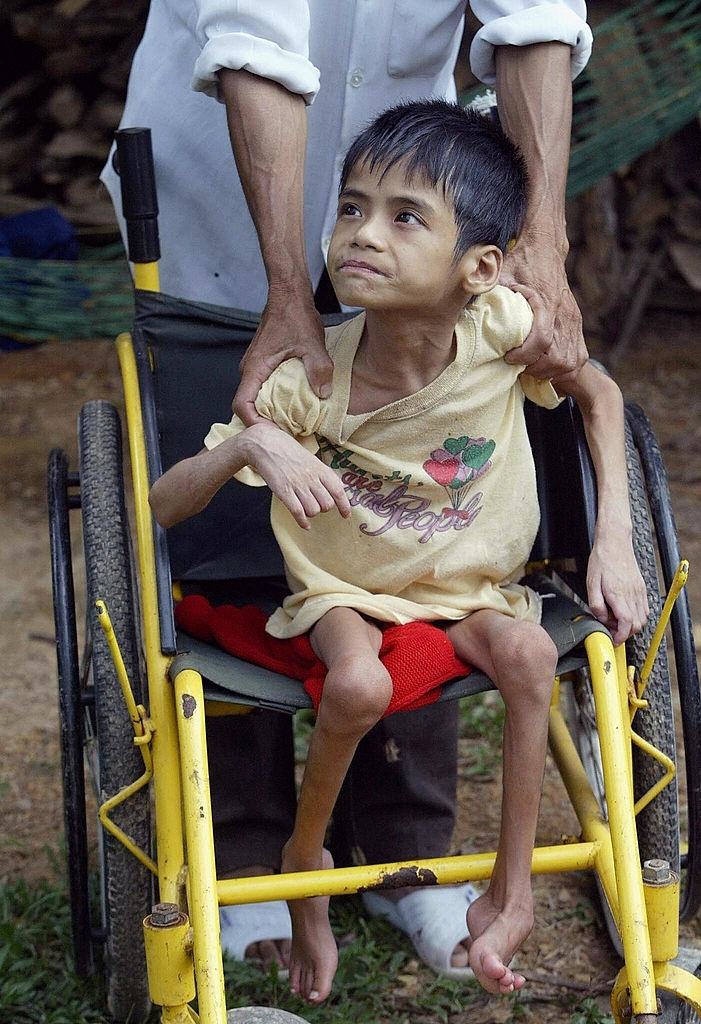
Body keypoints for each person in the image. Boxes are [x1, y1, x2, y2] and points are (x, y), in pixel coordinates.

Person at [103, 0, 593, 977]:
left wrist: (540, 235)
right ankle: (248, 848)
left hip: (407, 181)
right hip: (221, 168)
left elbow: (533, 18)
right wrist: (288, 287)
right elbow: (253, 44)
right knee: (253, 518)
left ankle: (407, 850)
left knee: (426, 460)